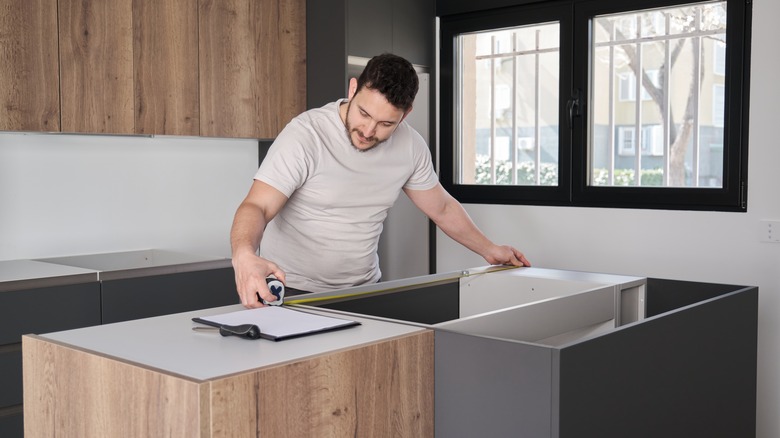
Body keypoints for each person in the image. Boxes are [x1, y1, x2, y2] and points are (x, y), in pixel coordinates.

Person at [230, 53, 530, 308]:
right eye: (363, 113)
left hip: (365, 290)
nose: (369, 131)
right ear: (352, 88)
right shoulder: (305, 135)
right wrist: (244, 254)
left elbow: (441, 208)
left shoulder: (410, 146)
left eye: (386, 123)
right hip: (293, 291)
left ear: (406, 114)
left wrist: (490, 249)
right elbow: (257, 205)